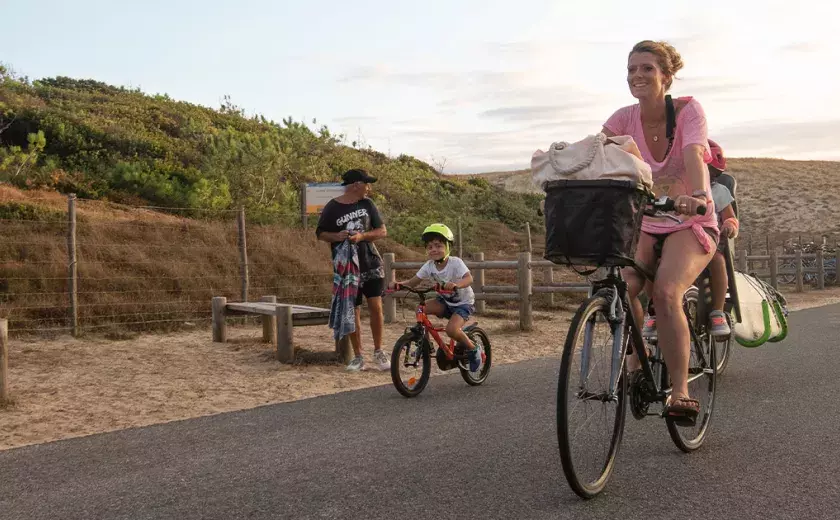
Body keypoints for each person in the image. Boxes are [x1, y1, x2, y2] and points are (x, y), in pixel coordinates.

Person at [601, 40, 719, 425]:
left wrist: (698, 195)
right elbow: (597, 155)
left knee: (667, 292)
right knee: (624, 285)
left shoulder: (687, 111)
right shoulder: (621, 119)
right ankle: (637, 359)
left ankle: (681, 392)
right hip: (646, 220)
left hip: (690, 220)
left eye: (648, 68)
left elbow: (694, 157)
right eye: (632, 68)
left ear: (666, 76)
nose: (637, 75)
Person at [642, 139, 738, 339]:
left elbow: (730, 216)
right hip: (674, 236)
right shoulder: (676, 186)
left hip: (706, 241)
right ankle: (653, 310)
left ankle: (717, 312)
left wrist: (729, 225)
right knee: (652, 263)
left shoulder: (719, 191)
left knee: (718, 261)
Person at [316, 168, 390, 372]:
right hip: (347, 269)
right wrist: (337, 237)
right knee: (353, 310)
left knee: (376, 307)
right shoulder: (332, 207)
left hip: (371, 263)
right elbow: (321, 233)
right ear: (357, 184)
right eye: (367, 183)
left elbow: (382, 231)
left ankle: (379, 351)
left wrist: (362, 237)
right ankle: (358, 356)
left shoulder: (368, 204)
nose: (369, 187)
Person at [388, 224, 484, 372]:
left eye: (438, 246)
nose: (434, 249)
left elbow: (469, 278)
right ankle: (423, 343)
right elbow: (413, 282)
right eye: (430, 247)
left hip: (463, 304)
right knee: (421, 308)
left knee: (452, 330)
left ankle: (473, 349)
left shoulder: (455, 263)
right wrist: (399, 285)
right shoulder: (429, 266)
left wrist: (456, 285)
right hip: (444, 302)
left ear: (447, 247)